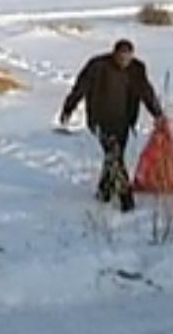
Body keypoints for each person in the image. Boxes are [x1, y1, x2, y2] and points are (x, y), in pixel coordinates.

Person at [59, 39, 164, 212]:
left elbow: (146, 92)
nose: (124, 60)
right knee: (115, 155)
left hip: (123, 121)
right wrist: (68, 108)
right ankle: (126, 198)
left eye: (128, 57)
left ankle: (104, 191)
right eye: (121, 56)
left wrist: (158, 114)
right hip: (101, 120)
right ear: (114, 54)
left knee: (114, 156)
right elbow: (80, 88)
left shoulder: (137, 69)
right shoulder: (97, 65)